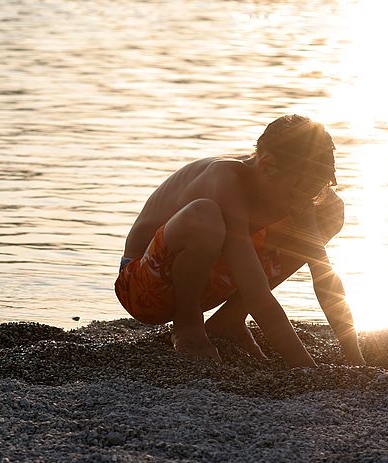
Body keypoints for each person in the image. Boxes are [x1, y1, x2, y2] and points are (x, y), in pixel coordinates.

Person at [114, 114, 365, 368]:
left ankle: (229, 321)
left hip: (206, 282)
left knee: (329, 209)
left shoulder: (297, 194)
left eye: (310, 193)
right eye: (295, 193)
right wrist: (306, 368)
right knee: (205, 215)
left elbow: (325, 279)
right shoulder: (226, 180)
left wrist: (357, 362)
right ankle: (187, 324)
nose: (301, 204)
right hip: (144, 286)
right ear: (267, 165)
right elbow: (257, 293)